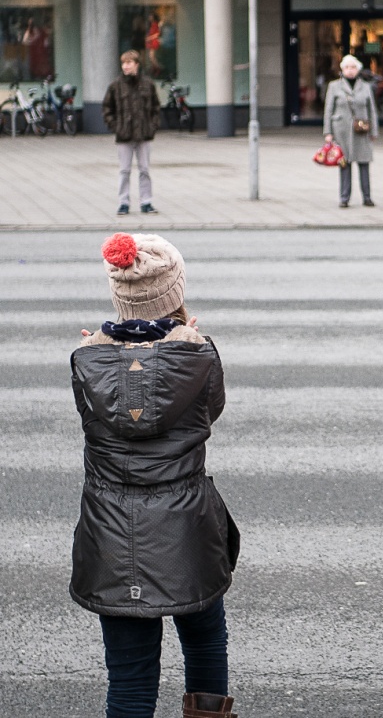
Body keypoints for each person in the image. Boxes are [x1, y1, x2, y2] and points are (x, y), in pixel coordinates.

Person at [70, 232, 240, 718]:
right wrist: (189, 341)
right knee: (206, 641)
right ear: (176, 295)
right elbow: (212, 412)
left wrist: (104, 349)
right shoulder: (200, 356)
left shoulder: (86, 360)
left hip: (110, 534)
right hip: (187, 529)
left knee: (129, 678)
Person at [102, 50, 162, 216]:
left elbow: (156, 108)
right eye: (123, 63)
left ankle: (146, 202)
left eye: (129, 63)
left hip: (144, 134)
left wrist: (152, 126)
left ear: (137, 64)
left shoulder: (147, 84)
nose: (126, 66)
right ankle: (123, 203)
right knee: (124, 171)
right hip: (124, 136)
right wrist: (116, 127)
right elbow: (107, 108)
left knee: (144, 170)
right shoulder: (116, 85)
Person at [323, 53, 379, 207]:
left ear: (358, 69)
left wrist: (374, 131)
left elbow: (372, 110)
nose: (350, 70)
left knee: (364, 163)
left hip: (362, 130)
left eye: (353, 67)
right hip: (341, 131)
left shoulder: (366, 87)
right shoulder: (334, 86)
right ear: (342, 69)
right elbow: (328, 110)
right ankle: (344, 198)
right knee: (344, 164)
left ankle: (367, 197)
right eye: (347, 67)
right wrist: (328, 132)